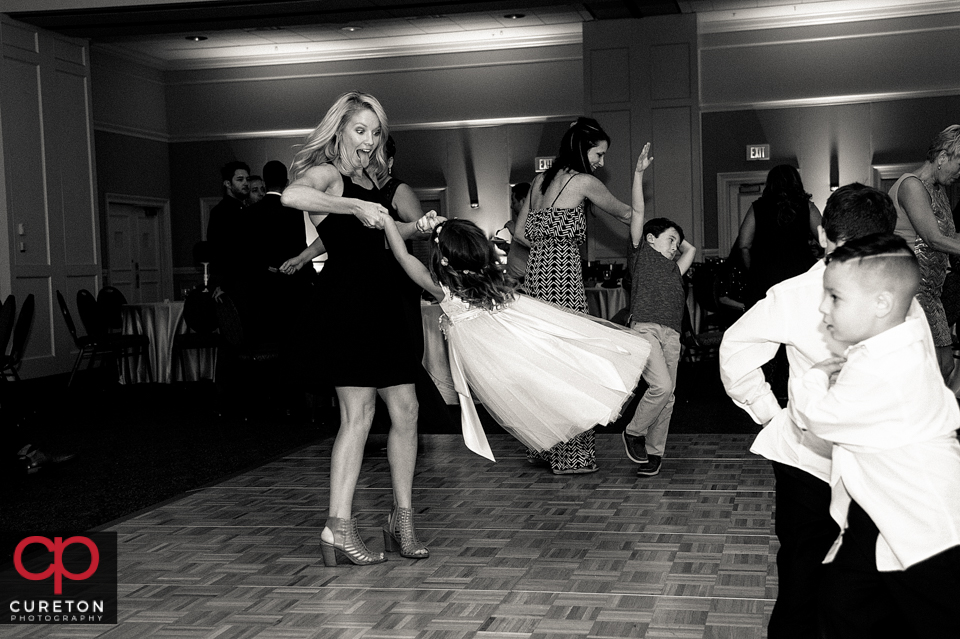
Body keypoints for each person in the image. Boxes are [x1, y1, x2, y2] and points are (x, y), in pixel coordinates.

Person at [719, 183, 935, 639]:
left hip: (869, 466)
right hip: (814, 462)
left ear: (823, 236)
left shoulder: (890, 300)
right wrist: (773, 416)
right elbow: (736, 348)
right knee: (809, 581)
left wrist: (770, 411)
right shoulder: (804, 294)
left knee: (852, 587)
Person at [280, 91, 431, 566]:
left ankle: (400, 521)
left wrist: (417, 225)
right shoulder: (331, 172)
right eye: (359, 130)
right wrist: (351, 207)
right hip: (348, 308)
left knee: (407, 411)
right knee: (359, 416)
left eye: (375, 132)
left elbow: (381, 233)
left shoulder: (372, 177)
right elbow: (291, 196)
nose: (368, 140)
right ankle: (337, 528)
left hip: (386, 307)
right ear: (340, 130)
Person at [788, 233, 960, 638]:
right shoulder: (900, 338)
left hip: (927, 529)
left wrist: (812, 376)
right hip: (879, 514)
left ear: (882, 304)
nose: (821, 306)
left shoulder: (885, 369)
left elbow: (816, 418)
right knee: (841, 603)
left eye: (834, 296)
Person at [382, 216, 650, 460]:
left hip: (491, 351)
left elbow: (403, 256)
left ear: (442, 260)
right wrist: (444, 226)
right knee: (555, 364)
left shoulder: (443, 290)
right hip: (509, 335)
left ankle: (571, 410)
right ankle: (583, 398)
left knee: (536, 389)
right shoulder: (486, 282)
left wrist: (387, 220)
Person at [513, 118, 648, 475]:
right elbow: (628, 215)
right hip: (564, 281)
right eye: (599, 153)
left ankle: (544, 446)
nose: (601, 161)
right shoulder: (583, 181)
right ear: (583, 148)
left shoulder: (540, 180)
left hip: (536, 283)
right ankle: (571, 455)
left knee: (545, 365)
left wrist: (547, 244)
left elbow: (520, 233)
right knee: (572, 366)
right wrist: (637, 177)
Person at [621, 216, 696, 477]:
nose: (675, 247)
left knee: (668, 396)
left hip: (671, 335)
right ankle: (633, 432)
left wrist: (675, 236)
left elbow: (692, 250)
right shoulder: (642, 256)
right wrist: (638, 175)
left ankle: (654, 454)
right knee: (661, 386)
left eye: (677, 243)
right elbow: (638, 214)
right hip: (645, 328)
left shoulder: (675, 270)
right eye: (670, 240)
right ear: (650, 239)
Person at [890, 124, 960, 380]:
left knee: (944, 366)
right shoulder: (911, 185)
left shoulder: (938, 191)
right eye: (959, 165)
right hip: (911, 289)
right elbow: (933, 238)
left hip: (931, 291)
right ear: (942, 157)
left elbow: (950, 238)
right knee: (929, 368)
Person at [738, 164, 822, 307]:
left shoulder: (758, 207)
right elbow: (824, 238)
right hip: (799, 272)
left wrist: (753, 269)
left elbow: (744, 244)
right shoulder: (807, 207)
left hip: (766, 274)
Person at [206, 160, 251, 287]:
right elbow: (218, 250)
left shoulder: (245, 210)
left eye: (247, 179)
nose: (245, 183)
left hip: (243, 280)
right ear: (227, 183)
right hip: (232, 282)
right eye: (240, 179)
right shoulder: (221, 212)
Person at [503, 182, 531, 285]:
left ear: (523, 201)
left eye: (514, 202)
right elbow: (523, 251)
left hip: (525, 282)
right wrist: (507, 248)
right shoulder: (521, 222)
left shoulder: (533, 222)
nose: (511, 206)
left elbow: (539, 248)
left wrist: (515, 233)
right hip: (515, 281)